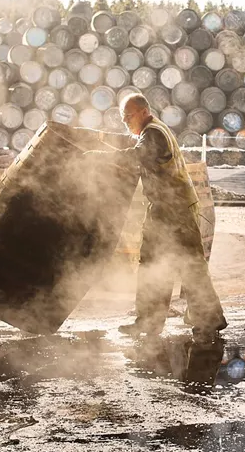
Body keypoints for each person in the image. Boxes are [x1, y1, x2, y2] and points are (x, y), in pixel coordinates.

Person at [88, 93, 225, 340]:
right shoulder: (151, 132)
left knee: (190, 266)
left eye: (128, 116)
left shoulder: (154, 134)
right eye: (122, 118)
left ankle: (209, 319)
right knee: (152, 265)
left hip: (176, 211)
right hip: (163, 210)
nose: (125, 122)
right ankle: (149, 322)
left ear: (143, 111)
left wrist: (97, 157)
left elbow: (136, 156)